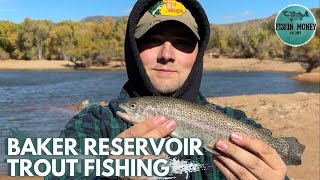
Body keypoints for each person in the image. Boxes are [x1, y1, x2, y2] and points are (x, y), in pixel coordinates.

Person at [50, 0, 288, 179]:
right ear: (133, 49)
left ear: (198, 53)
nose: (166, 55)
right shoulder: (92, 126)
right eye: (153, 40)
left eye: (182, 43)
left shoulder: (237, 123)